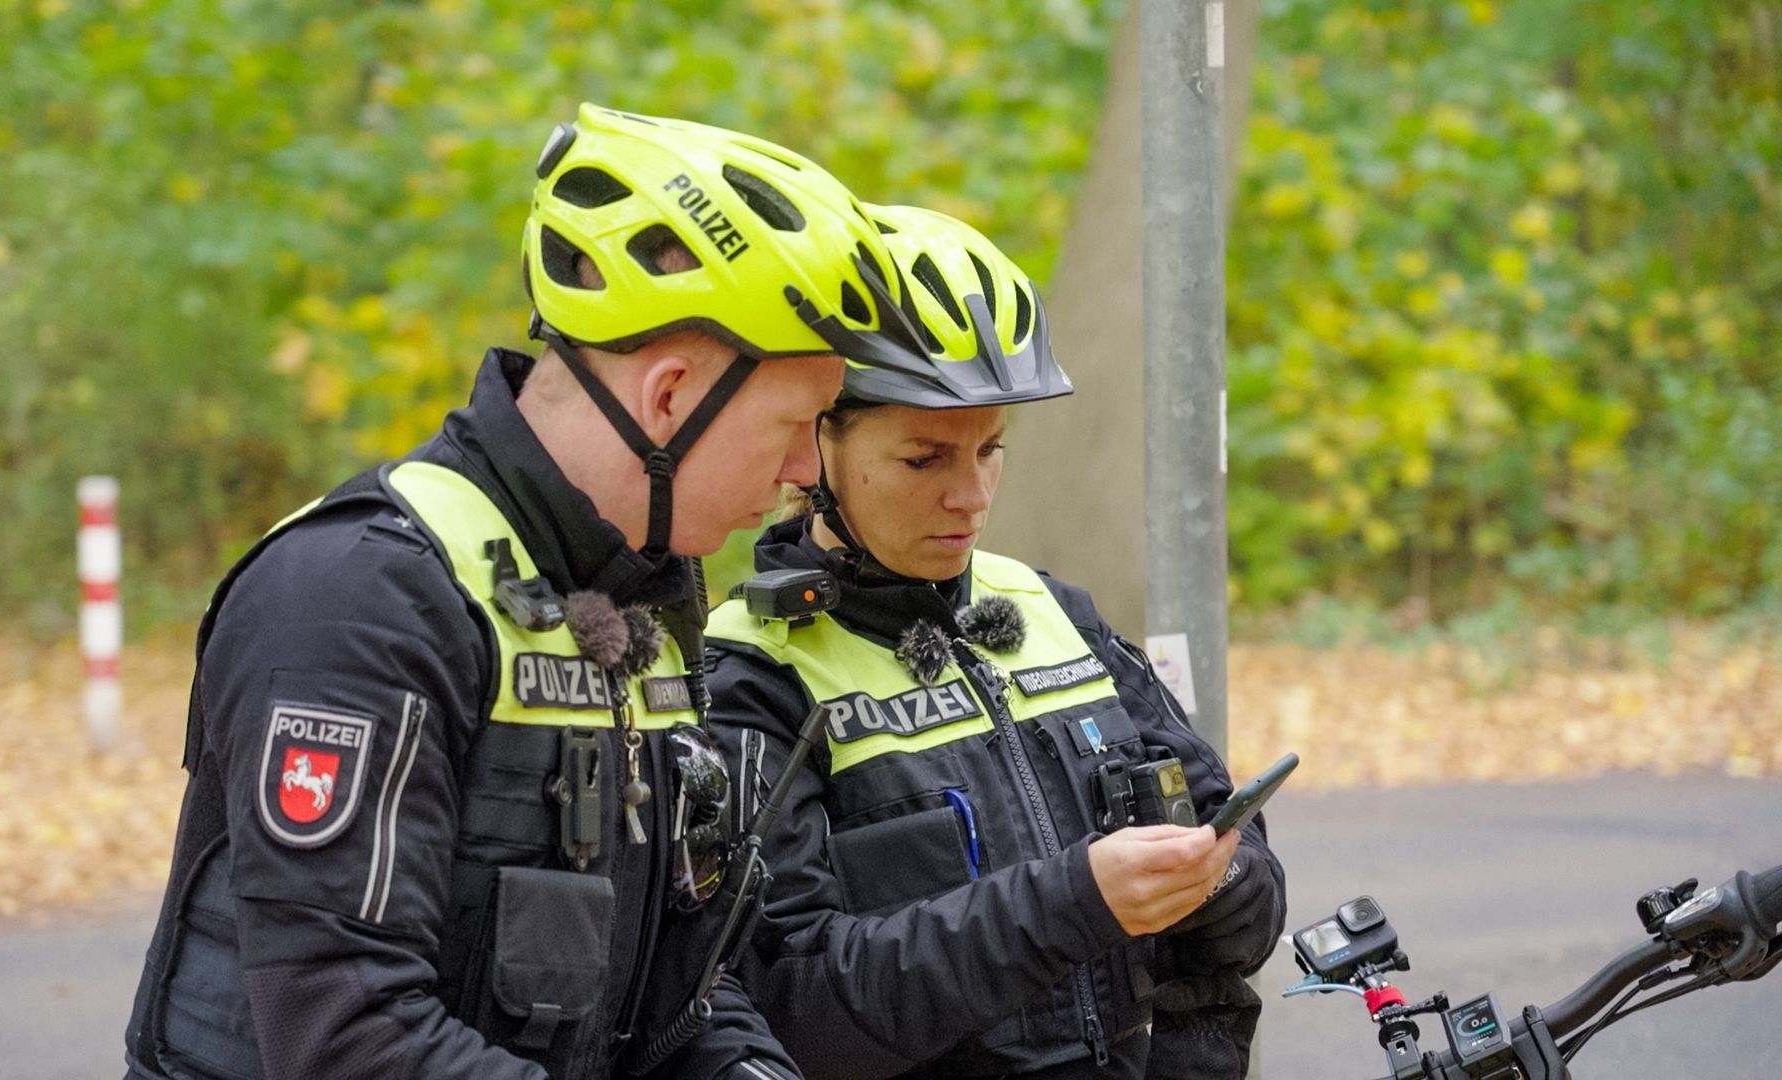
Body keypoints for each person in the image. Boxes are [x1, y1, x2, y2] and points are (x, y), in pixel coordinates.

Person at [123, 103, 916, 1080]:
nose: (807, 469)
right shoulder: (359, 598)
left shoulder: (645, 608)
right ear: (668, 396)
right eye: (796, 423)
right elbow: (351, 1042)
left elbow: (679, 1000)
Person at [703, 204, 1287, 1079]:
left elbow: (1254, 902)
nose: (971, 496)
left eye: (991, 451)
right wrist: (1077, 902)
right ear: (817, 444)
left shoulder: (1057, 613)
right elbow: (794, 1005)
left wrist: (1213, 884)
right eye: (924, 459)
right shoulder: (749, 674)